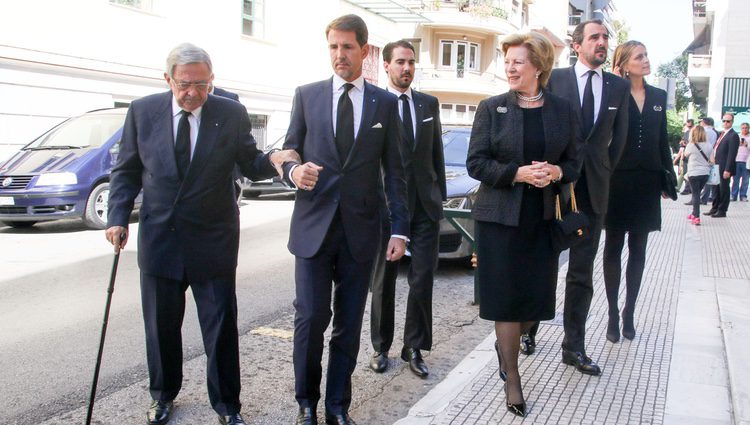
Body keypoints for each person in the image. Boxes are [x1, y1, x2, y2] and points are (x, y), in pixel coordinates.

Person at [105, 43, 298, 425]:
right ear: (168, 80)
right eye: (184, 84)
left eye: (201, 84)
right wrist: (117, 217)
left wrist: (277, 162)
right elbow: (126, 171)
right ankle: (162, 395)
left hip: (213, 241)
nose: (192, 92)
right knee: (160, 329)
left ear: (212, 81)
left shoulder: (230, 113)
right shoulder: (143, 112)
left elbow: (249, 162)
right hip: (161, 240)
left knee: (221, 328)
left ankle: (228, 406)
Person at [281, 15, 409, 425]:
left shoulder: (384, 104)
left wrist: (400, 230)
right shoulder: (307, 96)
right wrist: (292, 173)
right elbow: (289, 150)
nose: (340, 54)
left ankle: (337, 406)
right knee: (311, 318)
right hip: (313, 229)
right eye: (334, 47)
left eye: (348, 47)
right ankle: (306, 404)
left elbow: (396, 172)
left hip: (361, 232)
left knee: (348, 324)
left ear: (365, 51)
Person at [466, 32, 582, 417]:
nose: (510, 67)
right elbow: (476, 164)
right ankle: (512, 379)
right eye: (508, 61)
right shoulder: (491, 108)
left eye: (518, 61)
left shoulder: (563, 110)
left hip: (541, 219)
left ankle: (509, 343)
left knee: (535, 300)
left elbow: (574, 163)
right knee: (506, 301)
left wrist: (555, 170)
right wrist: (516, 173)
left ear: (539, 66)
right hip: (499, 219)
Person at [523, 19, 629, 376]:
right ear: (577, 44)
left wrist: (598, 174)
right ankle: (529, 328)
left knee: (581, 274)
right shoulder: (556, 78)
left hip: (593, 194)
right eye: (595, 37)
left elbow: (618, 144)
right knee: (541, 265)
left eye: (605, 38)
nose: (602, 43)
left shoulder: (618, 88)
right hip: (551, 189)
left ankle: (574, 347)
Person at [368, 40, 446, 378]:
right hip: (387, 207)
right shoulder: (374, 104)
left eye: (411, 62)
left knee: (422, 279)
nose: (406, 68)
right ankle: (380, 347)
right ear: (386, 65)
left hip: (425, 207)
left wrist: (438, 194)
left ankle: (414, 346)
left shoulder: (429, 104)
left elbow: (435, 153)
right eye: (400, 62)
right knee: (383, 281)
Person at [602, 41, 676, 343]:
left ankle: (629, 311)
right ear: (624, 63)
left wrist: (667, 179)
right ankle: (611, 313)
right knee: (613, 246)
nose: (646, 60)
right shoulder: (614, 94)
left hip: (647, 181)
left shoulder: (658, 96)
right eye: (639, 56)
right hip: (617, 180)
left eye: (646, 55)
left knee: (639, 250)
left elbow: (662, 142)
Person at [705, 113, 740, 218]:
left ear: (732, 122)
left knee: (723, 189)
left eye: (728, 121)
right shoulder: (722, 133)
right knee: (715, 188)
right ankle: (714, 208)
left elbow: (732, 154)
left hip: (724, 167)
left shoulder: (733, 135)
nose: (725, 123)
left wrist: (728, 169)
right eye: (724, 121)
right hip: (716, 165)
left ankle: (722, 210)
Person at [684, 125, 712, 225]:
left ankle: (696, 217)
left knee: (695, 194)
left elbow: (685, 155)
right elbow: (712, 160)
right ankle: (693, 213)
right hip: (705, 173)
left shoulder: (690, 145)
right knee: (697, 192)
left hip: (693, 173)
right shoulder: (709, 145)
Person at [699, 117, 719, 204]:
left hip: (701, 156)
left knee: (698, 177)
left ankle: (699, 197)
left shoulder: (704, 131)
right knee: (707, 177)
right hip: (710, 155)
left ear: (704, 122)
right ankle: (705, 197)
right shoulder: (714, 132)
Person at [730, 122, 750, 201]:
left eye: (746, 128)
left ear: (748, 128)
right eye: (743, 128)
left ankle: (743, 196)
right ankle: (733, 195)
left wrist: (746, 145)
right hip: (737, 160)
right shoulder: (737, 136)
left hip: (746, 161)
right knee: (735, 180)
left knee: (745, 180)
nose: (744, 129)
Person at [676, 119, 694, 195]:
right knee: (685, 172)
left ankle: (688, 188)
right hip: (686, 154)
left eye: (690, 126)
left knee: (688, 173)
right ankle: (687, 188)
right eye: (688, 126)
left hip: (691, 155)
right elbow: (682, 142)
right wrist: (683, 143)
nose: (689, 128)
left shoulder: (694, 132)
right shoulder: (687, 132)